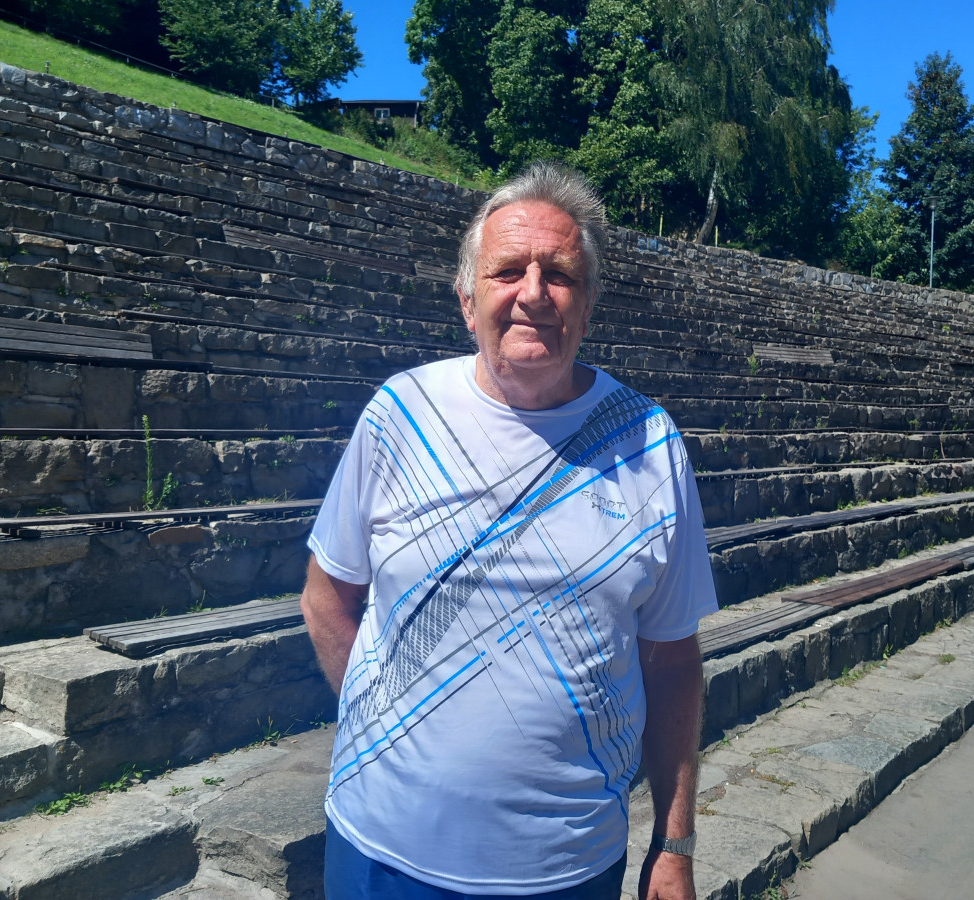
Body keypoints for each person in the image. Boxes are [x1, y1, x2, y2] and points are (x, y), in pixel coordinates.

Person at [301, 160, 719, 900]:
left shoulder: (650, 444)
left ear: (587, 305)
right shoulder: (399, 415)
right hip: (379, 852)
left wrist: (674, 842)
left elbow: (672, 661)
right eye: (507, 271)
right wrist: (384, 727)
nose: (532, 293)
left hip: (567, 870)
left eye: (558, 274)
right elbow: (327, 596)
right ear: (468, 301)